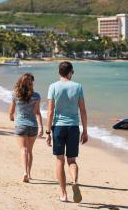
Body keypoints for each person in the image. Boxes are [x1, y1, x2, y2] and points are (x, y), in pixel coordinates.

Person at [45, 61, 88, 203]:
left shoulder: (53, 87)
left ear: (59, 72)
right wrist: (85, 130)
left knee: (59, 160)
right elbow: (82, 110)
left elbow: (50, 111)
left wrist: (48, 132)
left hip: (58, 127)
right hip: (73, 127)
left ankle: (63, 194)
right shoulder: (78, 87)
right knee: (72, 160)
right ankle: (74, 181)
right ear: (70, 72)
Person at [8, 73, 43, 183]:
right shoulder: (36, 96)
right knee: (30, 151)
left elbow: (11, 112)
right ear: (31, 83)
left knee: (24, 149)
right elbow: (37, 113)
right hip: (33, 126)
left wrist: (12, 118)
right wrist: (41, 127)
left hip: (21, 125)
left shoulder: (15, 95)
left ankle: (24, 172)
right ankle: (29, 173)